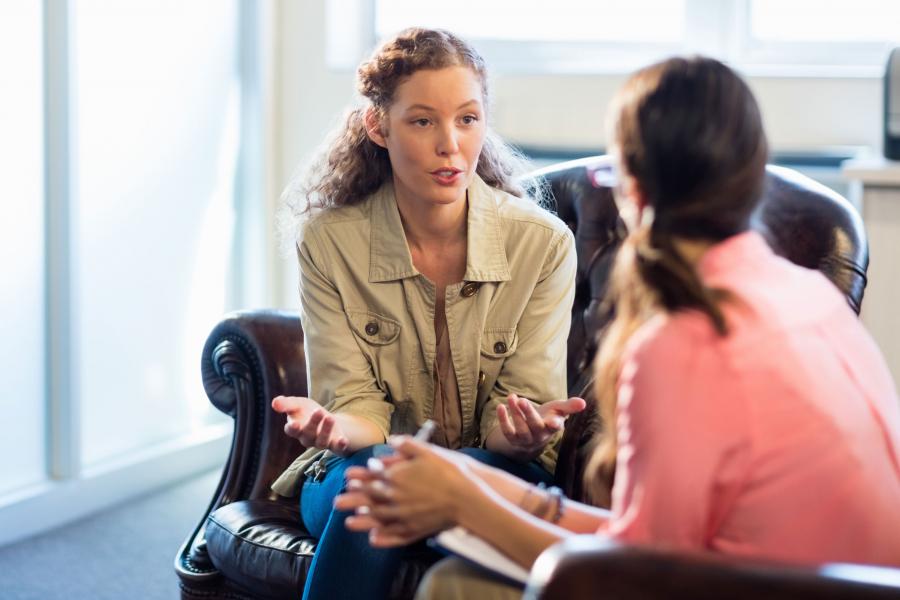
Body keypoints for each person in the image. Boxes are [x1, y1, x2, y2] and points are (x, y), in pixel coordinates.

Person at [336, 55, 900, 600]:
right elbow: (647, 539)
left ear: (636, 191)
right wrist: (476, 482)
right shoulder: (809, 295)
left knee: (451, 586)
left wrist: (465, 504)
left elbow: (635, 575)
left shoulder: (681, 344)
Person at [271, 28, 584, 600]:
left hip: (494, 469)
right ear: (378, 127)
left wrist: (519, 431)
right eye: (422, 121)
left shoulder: (544, 244)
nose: (451, 145)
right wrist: (336, 428)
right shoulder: (328, 241)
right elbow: (355, 405)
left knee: (407, 487)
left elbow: (517, 419)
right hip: (359, 466)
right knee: (380, 477)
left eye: (467, 119)